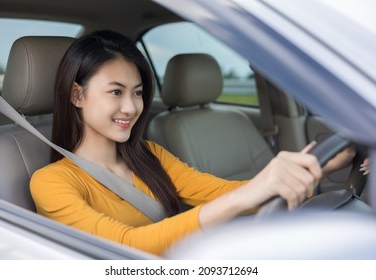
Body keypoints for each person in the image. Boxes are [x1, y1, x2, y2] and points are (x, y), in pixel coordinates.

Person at [30, 30, 355, 256]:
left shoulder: (150, 156)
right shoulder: (51, 183)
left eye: (138, 92)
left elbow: (223, 193)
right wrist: (252, 193)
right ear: (77, 94)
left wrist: (322, 166)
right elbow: (126, 246)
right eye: (116, 92)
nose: (131, 107)